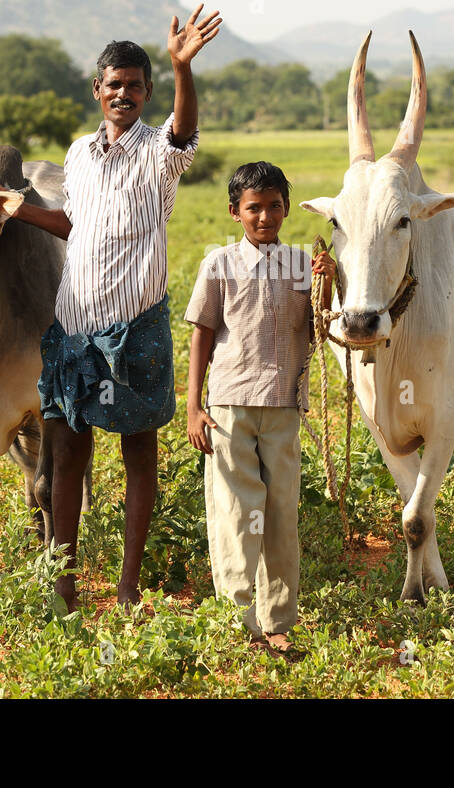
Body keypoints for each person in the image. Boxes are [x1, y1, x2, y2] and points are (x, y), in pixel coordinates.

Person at [1, 4, 223, 610]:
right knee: (66, 453)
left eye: (134, 84)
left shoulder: (160, 152)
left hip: (136, 326)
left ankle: (128, 584)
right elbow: (73, 223)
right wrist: (21, 210)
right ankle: (64, 582)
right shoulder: (77, 153)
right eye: (113, 84)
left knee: (137, 453)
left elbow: (183, 130)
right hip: (73, 328)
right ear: (97, 91)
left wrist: (183, 67)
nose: (122, 93)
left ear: (148, 92)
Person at [184, 162, 335, 651]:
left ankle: (278, 622)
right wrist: (193, 405)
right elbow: (202, 335)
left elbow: (321, 323)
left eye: (274, 206)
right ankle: (239, 620)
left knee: (279, 510)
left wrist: (328, 283)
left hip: (283, 404)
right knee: (235, 509)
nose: (265, 216)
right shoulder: (219, 264)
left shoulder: (302, 265)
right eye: (254, 208)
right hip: (229, 404)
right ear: (235, 212)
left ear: (287, 209)